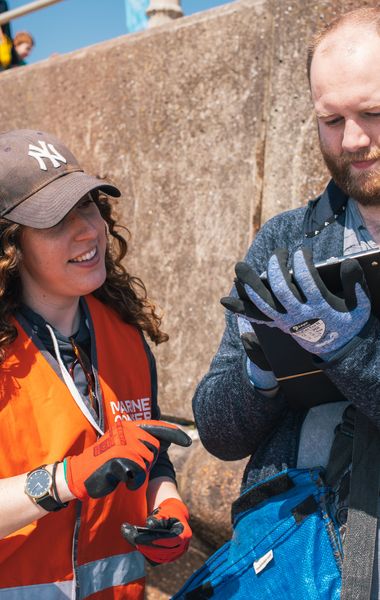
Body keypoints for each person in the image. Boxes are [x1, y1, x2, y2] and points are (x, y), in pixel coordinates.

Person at [193, 5, 380, 595]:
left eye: (374, 113)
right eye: (331, 120)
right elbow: (218, 434)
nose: (353, 141)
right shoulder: (286, 240)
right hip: (290, 558)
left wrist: (350, 352)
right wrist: (261, 370)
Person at [0, 129, 192, 598]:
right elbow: (82, 473)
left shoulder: (125, 335)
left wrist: (167, 506)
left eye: (87, 205)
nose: (87, 231)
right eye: (53, 221)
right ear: (10, 247)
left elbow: (151, 455)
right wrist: (64, 480)